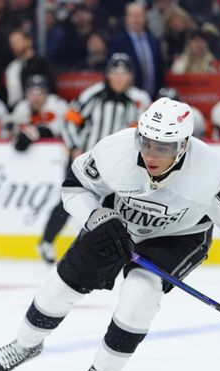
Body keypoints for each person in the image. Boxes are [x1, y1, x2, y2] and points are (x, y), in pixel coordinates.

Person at [0, 97, 220, 371]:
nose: (150, 154)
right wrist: (95, 217)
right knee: (60, 286)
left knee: (140, 293)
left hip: (178, 237)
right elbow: (74, 186)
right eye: (146, 142)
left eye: (162, 148)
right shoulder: (116, 150)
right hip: (114, 223)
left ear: (184, 145)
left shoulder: (212, 173)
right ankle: (26, 344)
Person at [37, 53, 151, 264]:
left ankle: (105, 251)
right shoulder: (93, 94)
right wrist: (74, 147)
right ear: (107, 75)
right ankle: (46, 241)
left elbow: (141, 133)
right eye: (114, 73)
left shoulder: (137, 101)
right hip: (85, 162)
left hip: (116, 166)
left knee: (114, 205)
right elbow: (69, 120)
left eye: (123, 73)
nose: (118, 78)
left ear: (131, 76)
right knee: (70, 201)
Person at [8, 74, 68, 152]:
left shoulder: (57, 105)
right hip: (29, 155)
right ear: (26, 94)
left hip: (54, 150)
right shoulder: (21, 107)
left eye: (40, 93)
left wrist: (33, 133)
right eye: (32, 93)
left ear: (46, 93)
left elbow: (56, 131)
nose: (36, 98)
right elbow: (14, 133)